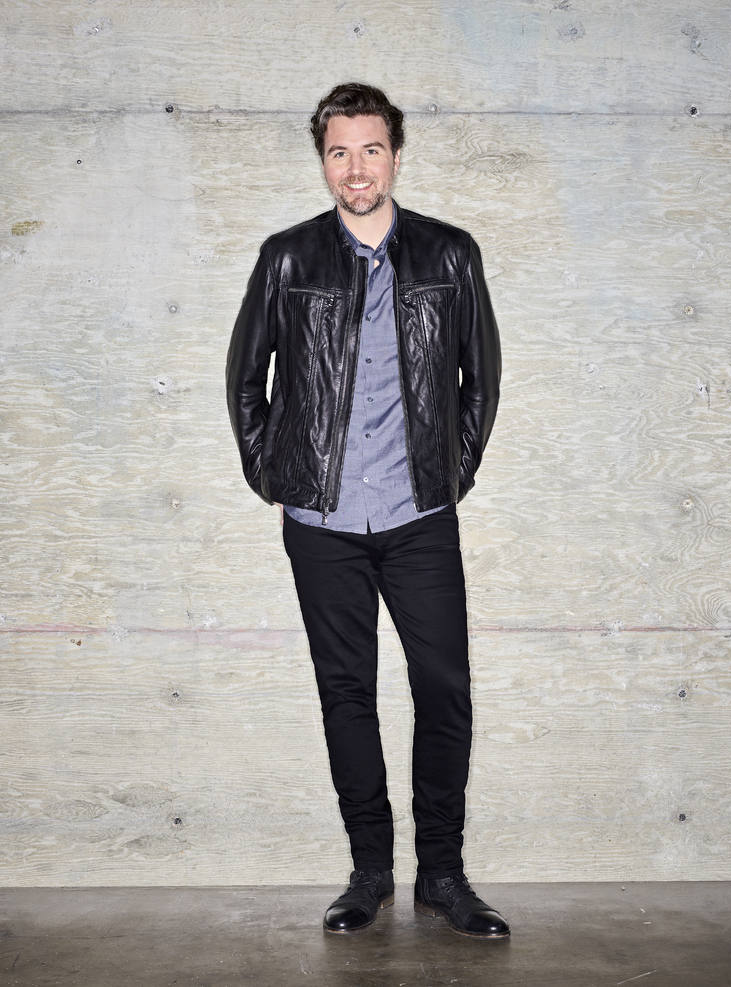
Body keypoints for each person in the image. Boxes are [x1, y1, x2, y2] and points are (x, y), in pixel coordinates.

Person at [226, 83, 508, 939]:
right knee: (346, 692)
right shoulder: (286, 258)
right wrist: (278, 478)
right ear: (324, 161)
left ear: (396, 155)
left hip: (419, 516)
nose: (356, 168)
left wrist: (449, 474)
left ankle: (444, 874)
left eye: (371, 149)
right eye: (339, 152)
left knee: (444, 687)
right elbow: (245, 379)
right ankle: (370, 872)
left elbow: (481, 380)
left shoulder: (451, 254)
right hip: (323, 526)